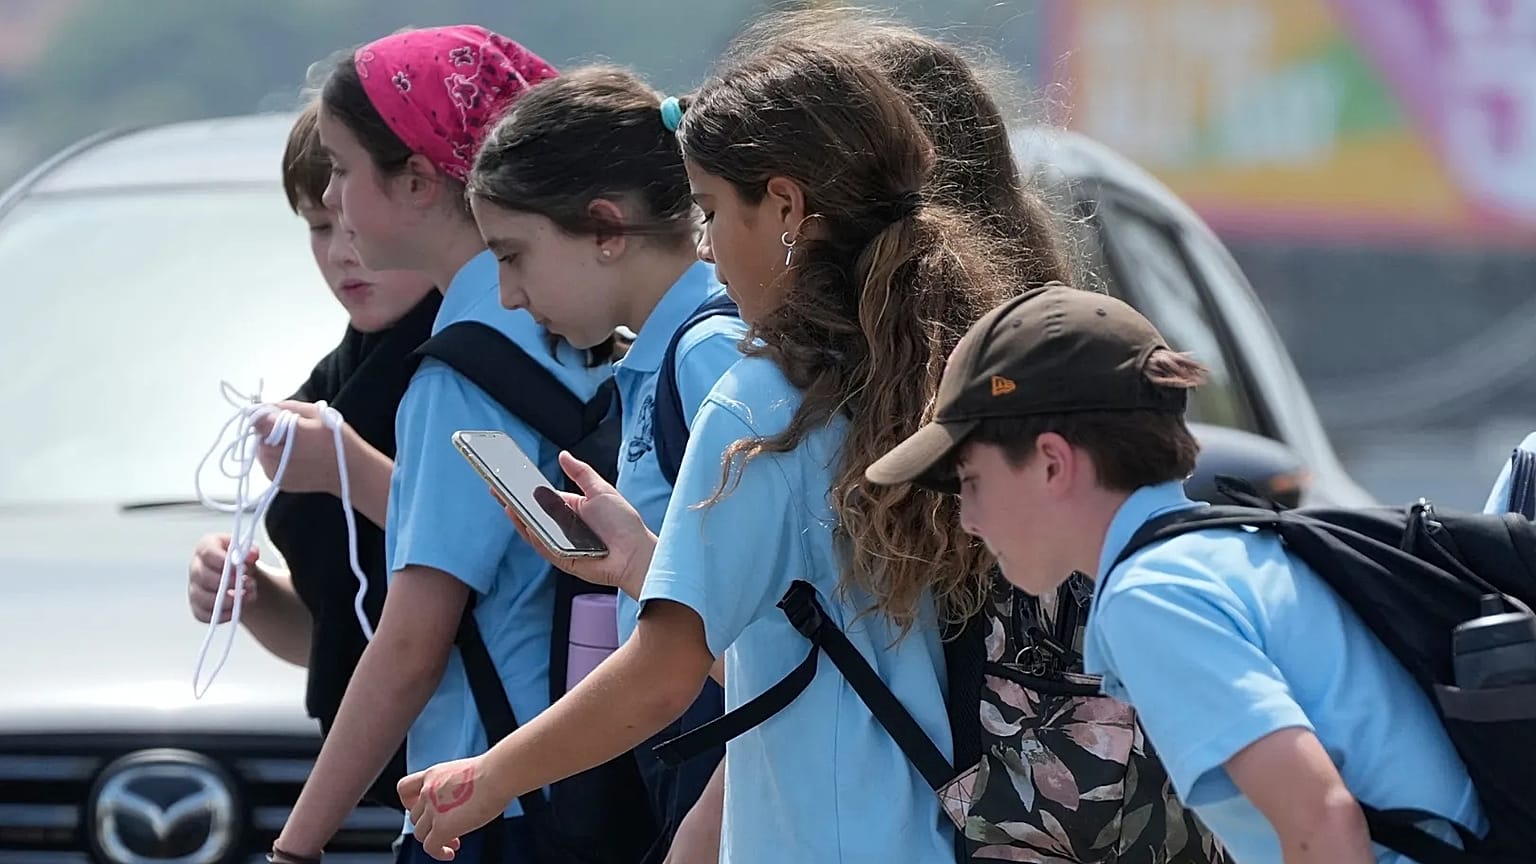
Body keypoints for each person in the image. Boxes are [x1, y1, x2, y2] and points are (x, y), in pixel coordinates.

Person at [394, 37, 1016, 862]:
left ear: (788, 210)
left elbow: (664, 672)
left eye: (712, 209)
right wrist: (642, 566)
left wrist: (489, 777)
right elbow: (800, 647)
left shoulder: (759, 398)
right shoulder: (913, 372)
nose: (707, 246)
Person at [862, 283, 1487, 864]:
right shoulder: (1221, 550)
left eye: (971, 481)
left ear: (1052, 463)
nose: (967, 518)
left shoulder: (1153, 597)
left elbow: (1322, 821)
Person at [262, 26, 611, 864]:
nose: (335, 201)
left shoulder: (456, 376)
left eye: (343, 172)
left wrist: (295, 847)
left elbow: (412, 644)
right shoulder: (569, 328)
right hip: (588, 783)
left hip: (489, 799)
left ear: (417, 182)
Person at [464, 66, 745, 860]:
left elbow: (776, 629)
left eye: (513, 255)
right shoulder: (664, 357)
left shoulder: (706, 355)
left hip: (730, 760)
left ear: (605, 228)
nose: (509, 295)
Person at [185, 102, 438, 808]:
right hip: (376, 786)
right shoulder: (335, 377)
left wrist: (351, 472)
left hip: (476, 778)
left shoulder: (481, 362)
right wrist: (254, 597)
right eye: (319, 227)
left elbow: (520, 563)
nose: (340, 251)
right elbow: (340, 631)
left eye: (355, 224)